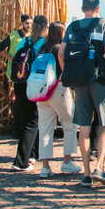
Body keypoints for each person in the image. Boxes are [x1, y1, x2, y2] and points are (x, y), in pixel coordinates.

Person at [60, 0, 105, 188]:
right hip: (100, 79)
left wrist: (69, 75)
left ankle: (86, 174)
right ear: (98, 8)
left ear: (82, 8)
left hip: (79, 82)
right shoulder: (103, 24)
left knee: (84, 127)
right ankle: (100, 167)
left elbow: (61, 53)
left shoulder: (72, 27)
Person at [36, 20, 82, 178]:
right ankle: (67, 161)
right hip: (58, 88)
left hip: (41, 91)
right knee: (70, 124)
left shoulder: (42, 48)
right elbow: (66, 69)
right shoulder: (60, 49)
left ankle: (45, 166)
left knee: (45, 129)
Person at [11, 15, 46, 171]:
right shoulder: (43, 44)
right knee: (32, 121)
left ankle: (32, 154)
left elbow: (16, 63)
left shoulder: (23, 42)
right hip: (33, 84)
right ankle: (21, 161)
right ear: (45, 28)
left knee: (28, 118)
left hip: (19, 83)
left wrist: (12, 85)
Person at [0, 14, 32, 134]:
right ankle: (17, 129)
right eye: (27, 23)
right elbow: (0, 48)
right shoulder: (13, 36)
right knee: (18, 102)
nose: (29, 25)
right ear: (22, 23)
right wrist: (12, 59)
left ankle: (25, 128)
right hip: (15, 73)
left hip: (27, 73)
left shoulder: (33, 36)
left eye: (31, 23)